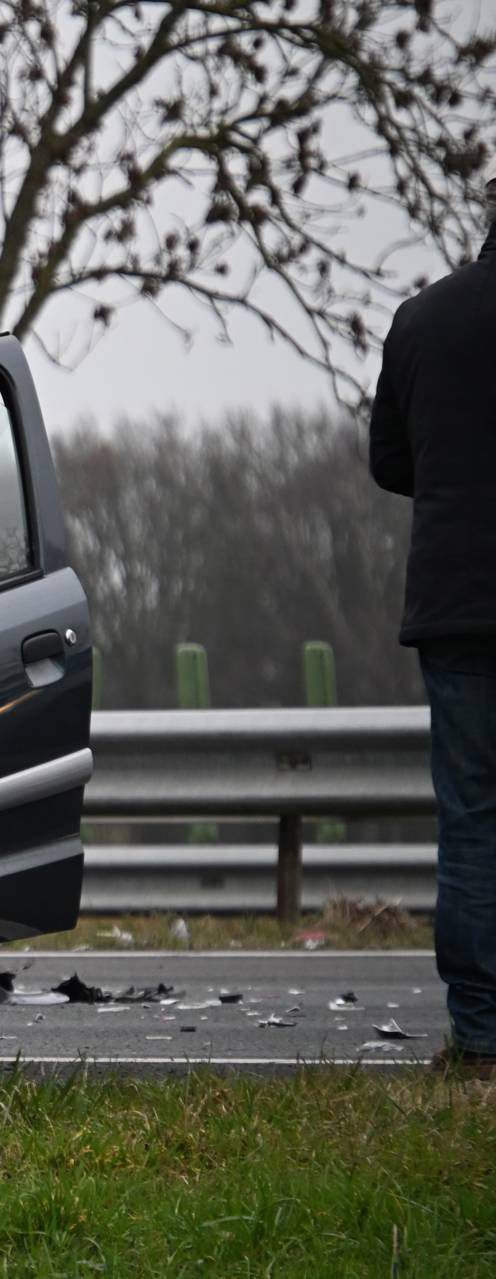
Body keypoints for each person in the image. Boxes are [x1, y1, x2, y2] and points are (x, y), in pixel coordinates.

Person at [369, 176, 496, 1078]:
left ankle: (483, 1034)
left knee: (474, 821)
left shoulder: (424, 319)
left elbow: (389, 459)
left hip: (459, 610)